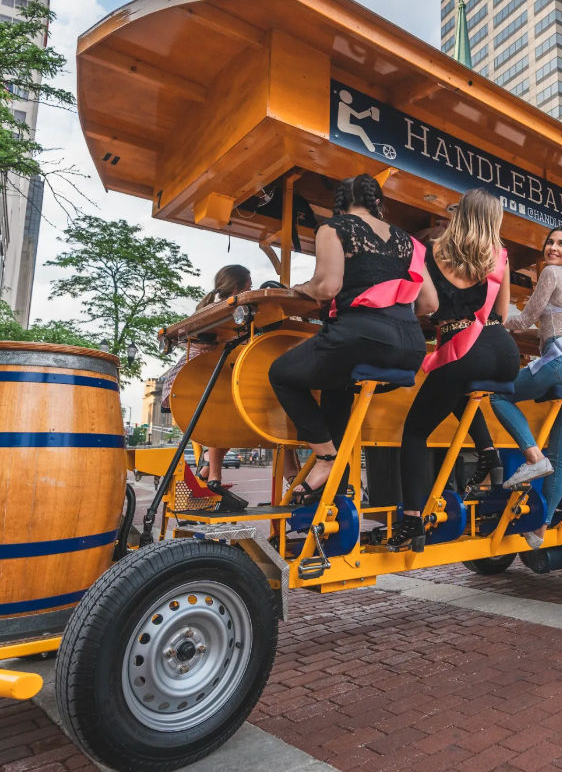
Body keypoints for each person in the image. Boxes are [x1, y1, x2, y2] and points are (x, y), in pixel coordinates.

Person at [269, 174, 438, 504]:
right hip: (410, 347)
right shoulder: (410, 243)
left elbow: (327, 287)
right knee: (337, 391)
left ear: (342, 202)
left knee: (282, 374)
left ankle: (326, 458)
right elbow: (430, 304)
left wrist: (302, 287)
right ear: (378, 201)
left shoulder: (334, 228)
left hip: (360, 337)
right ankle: (335, 494)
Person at [390, 189, 520, 551]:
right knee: (456, 389)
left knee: (415, 432)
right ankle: (488, 451)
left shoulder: (432, 251)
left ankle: (412, 522)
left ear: (459, 214)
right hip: (503, 351)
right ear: (494, 220)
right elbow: (503, 315)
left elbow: (422, 306)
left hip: (462, 347)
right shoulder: (500, 257)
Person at [491, 226, 562, 548]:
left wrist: (494, 317)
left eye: (561, 244)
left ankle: (532, 456)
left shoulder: (552, 272)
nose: (553, 248)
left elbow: (525, 320)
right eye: (550, 242)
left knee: (500, 395)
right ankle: (540, 529)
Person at [159, 264, 252, 496]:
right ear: (239, 286)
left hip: (190, 378)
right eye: (249, 285)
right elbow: (224, 343)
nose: (252, 288)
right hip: (198, 376)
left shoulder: (209, 308)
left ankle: (209, 472)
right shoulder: (230, 310)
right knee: (234, 411)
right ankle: (211, 469)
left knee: (234, 414)